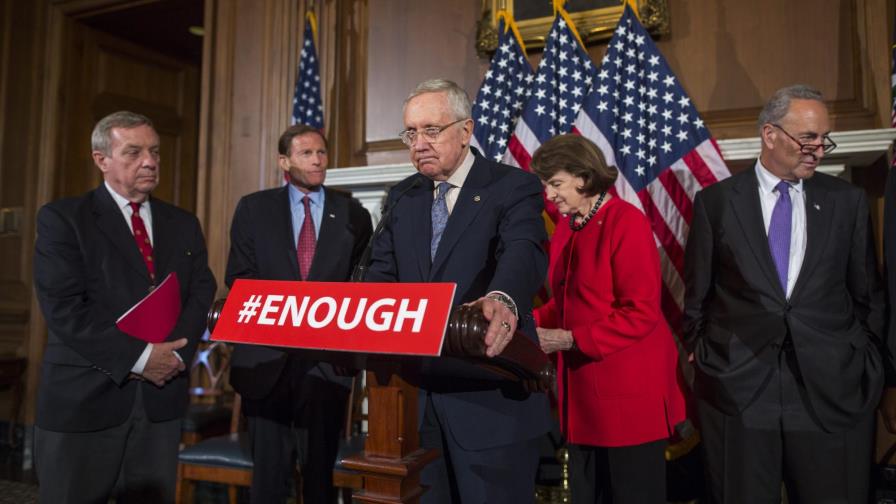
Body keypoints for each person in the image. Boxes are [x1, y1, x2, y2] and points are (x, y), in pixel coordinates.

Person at [683, 84, 885, 503]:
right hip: (739, 389)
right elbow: (697, 296)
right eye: (807, 138)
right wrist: (703, 354)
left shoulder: (847, 202)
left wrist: (868, 361)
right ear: (770, 134)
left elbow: (868, 295)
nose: (818, 150)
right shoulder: (715, 203)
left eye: (824, 139)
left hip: (830, 388)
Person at [366, 78, 551, 503]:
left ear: (466, 131)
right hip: (416, 405)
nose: (419, 144)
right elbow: (380, 275)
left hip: (490, 401)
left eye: (432, 130)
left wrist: (502, 297)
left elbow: (523, 250)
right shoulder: (403, 197)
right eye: (411, 133)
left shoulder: (511, 186)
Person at [32, 110, 216, 503]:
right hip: (84, 401)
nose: (149, 162)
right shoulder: (63, 219)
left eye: (155, 151)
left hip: (159, 402)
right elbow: (64, 308)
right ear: (101, 159)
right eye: (133, 152)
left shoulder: (183, 223)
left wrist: (174, 356)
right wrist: (141, 357)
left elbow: (202, 291)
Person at [530, 134, 686, 503]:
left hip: (628, 398)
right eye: (546, 185)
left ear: (583, 177)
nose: (549, 195)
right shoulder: (568, 227)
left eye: (555, 183)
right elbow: (565, 304)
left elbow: (640, 312)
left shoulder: (625, 221)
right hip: (582, 397)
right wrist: (519, 321)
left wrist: (569, 339)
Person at [226, 124, 373, 503]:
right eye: (306, 153)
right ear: (284, 161)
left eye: (321, 152)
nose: (318, 160)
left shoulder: (353, 213)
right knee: (269, 482)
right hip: (266, 361)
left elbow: (361, 285)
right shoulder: (254, 209)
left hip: (326, 365)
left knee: (319, 481)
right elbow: (240, 279)